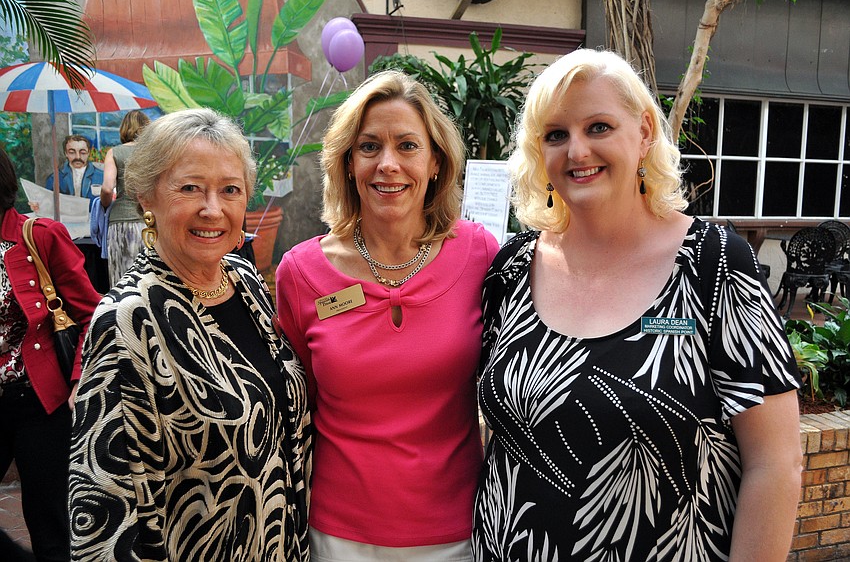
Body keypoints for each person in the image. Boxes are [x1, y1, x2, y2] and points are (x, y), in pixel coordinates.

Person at [472, 48, 803, 561]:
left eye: (598, 127)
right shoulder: (511, 270)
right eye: (556, 134)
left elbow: (776, 465)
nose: (577, 151)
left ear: (645, 131)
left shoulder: (714, 266)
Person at [68, 108, 311, 561]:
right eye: (189, 188)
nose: (213, 209)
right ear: (146, 197)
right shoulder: (126, 320)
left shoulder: (244, 280)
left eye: (230, 190)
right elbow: (104, 513)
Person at [276, 70, 499, 561]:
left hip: (456, 532)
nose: (388, 165)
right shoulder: (300, 272)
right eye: (370, 147)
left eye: (408, 146)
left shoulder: (480, 255)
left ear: (436, 162)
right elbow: (297, 405)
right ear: (348, 162)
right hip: (337, 534)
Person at [0, 146, 100, 561]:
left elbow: (93, 313)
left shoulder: (37, 236)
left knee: (51, 528)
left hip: (37, 401)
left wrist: (79, 379)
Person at [96, 110, 151, 286]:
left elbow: (106, 188)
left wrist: (105, 205)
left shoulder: (115, 153)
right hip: (149, 222)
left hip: (119, 222)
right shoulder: (153, 154)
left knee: (121, 278)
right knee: (148, 276)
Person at [44, 135, 103, 201]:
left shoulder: (101, 176)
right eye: (72, 152)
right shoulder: (54, 178)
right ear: (66, 153)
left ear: (88, 153)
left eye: (82, 153)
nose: (78, 157)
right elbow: (47, 201)